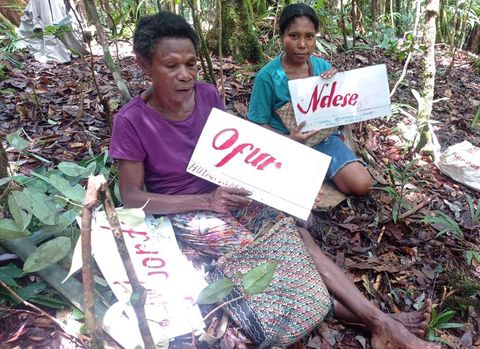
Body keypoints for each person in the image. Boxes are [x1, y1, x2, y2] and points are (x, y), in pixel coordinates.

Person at [110, 11, 437, 349]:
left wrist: (279, 183)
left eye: (191, 64)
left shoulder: (207, 95)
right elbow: (132, 196)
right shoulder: (131, 121)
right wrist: (206, 202)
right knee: (268, 257)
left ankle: (376, 321)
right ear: (144, 65)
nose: (185, 75)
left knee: (295, 235)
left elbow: (228, 152)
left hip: (226, 191)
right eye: (171, 66)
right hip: (186, 212)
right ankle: (380, 322)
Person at [247, 3, 372, 197]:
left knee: (361, 185)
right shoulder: (268, 77)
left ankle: (318, 168)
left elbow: (338, 110)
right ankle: (313, 171)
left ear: (316, 38)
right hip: (283, 143)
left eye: (309, 36)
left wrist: (339, 86)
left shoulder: (322, 67)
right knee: (292, 197)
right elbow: (256, 124)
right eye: (294, 36)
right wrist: (289, 140)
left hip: (322, 139)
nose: (302, 45)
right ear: (281, 37)